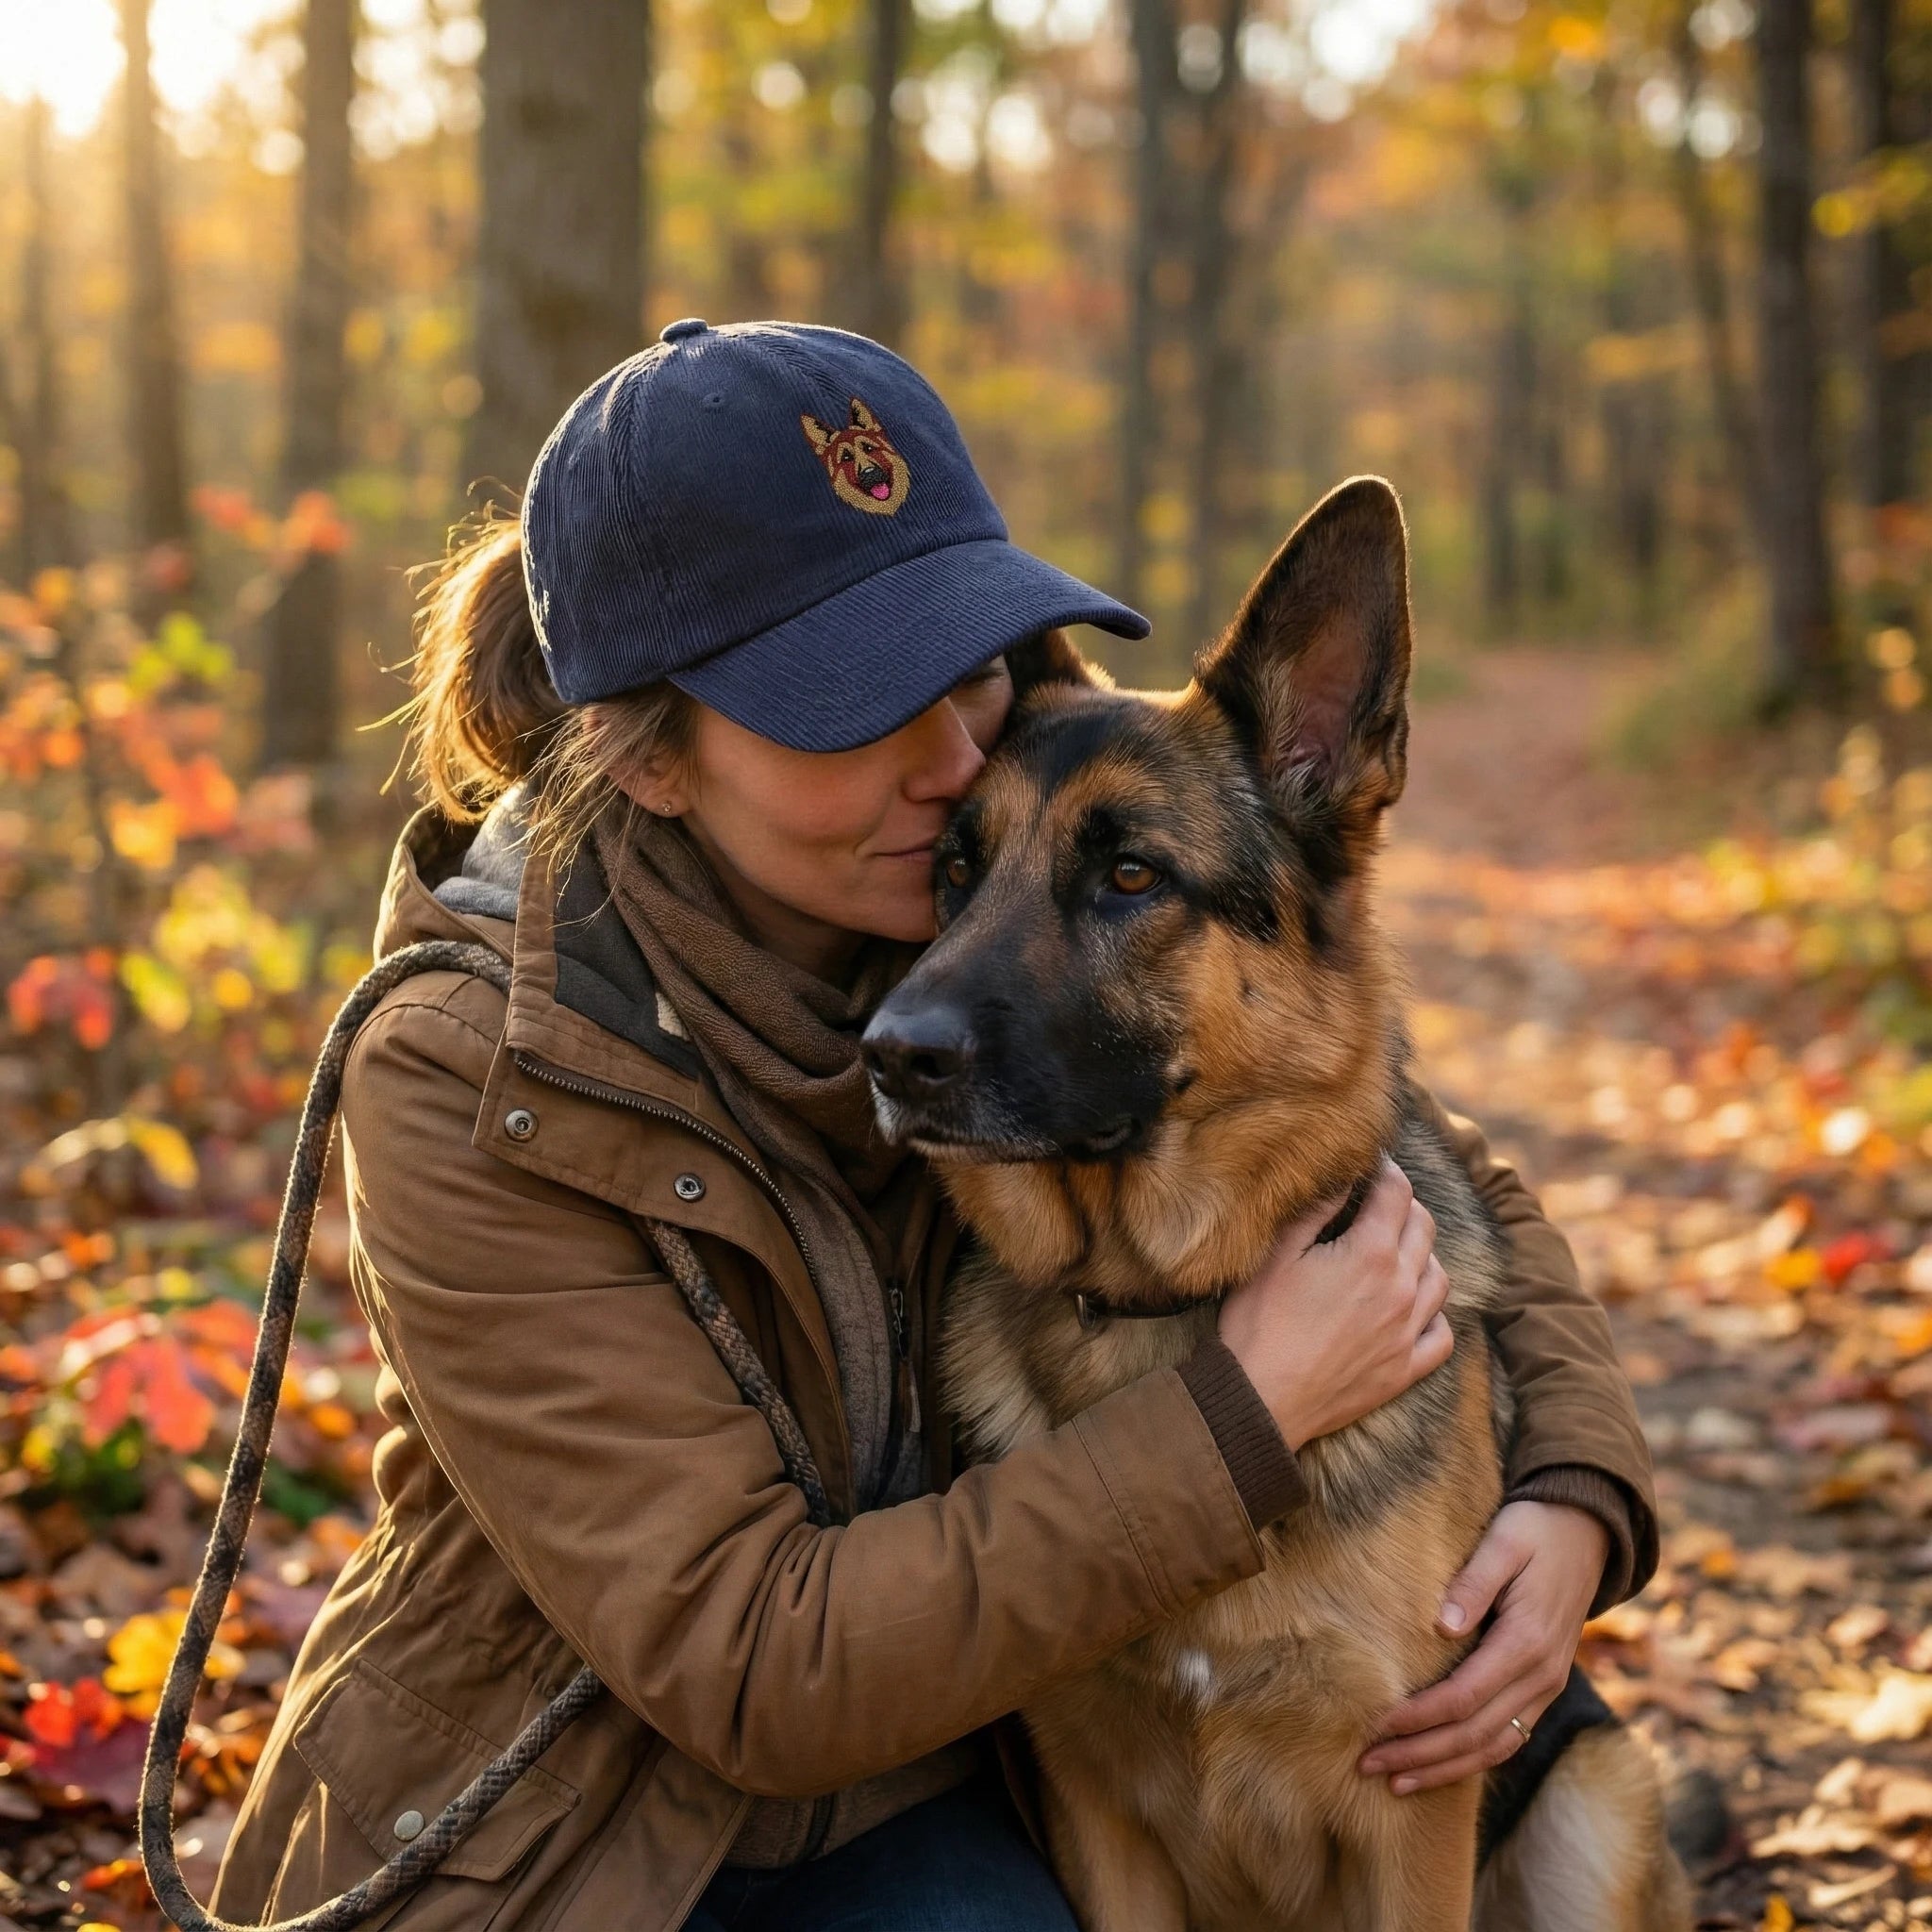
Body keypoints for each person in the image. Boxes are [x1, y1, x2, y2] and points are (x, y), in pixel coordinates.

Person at [211, 321, 1656, 1932]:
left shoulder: (999, 829)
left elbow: (1415, 1150)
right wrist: (1249, 1412)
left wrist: (1577, 1496)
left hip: (933, 1766)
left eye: (960, 656)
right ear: (658, 757)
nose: (948, 753)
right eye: (848, 701)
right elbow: (751, 1665)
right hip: (573, 1831)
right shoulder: (466, 1078)